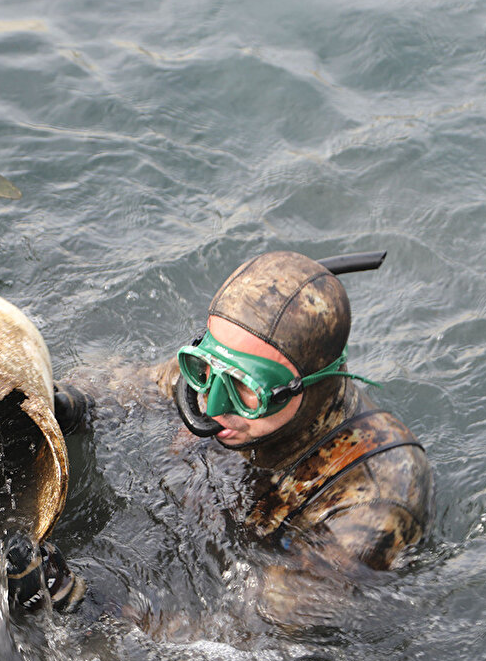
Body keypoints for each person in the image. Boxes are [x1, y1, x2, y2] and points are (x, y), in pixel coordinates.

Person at [145, 249, 434, 628]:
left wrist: (85, 607)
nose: (212, 406)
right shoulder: (222, 375)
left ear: (304, 388)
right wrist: (62, 404)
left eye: (246, 385)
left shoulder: (374, 503)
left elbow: (252, 632)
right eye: (205, 367)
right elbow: (121, 387)